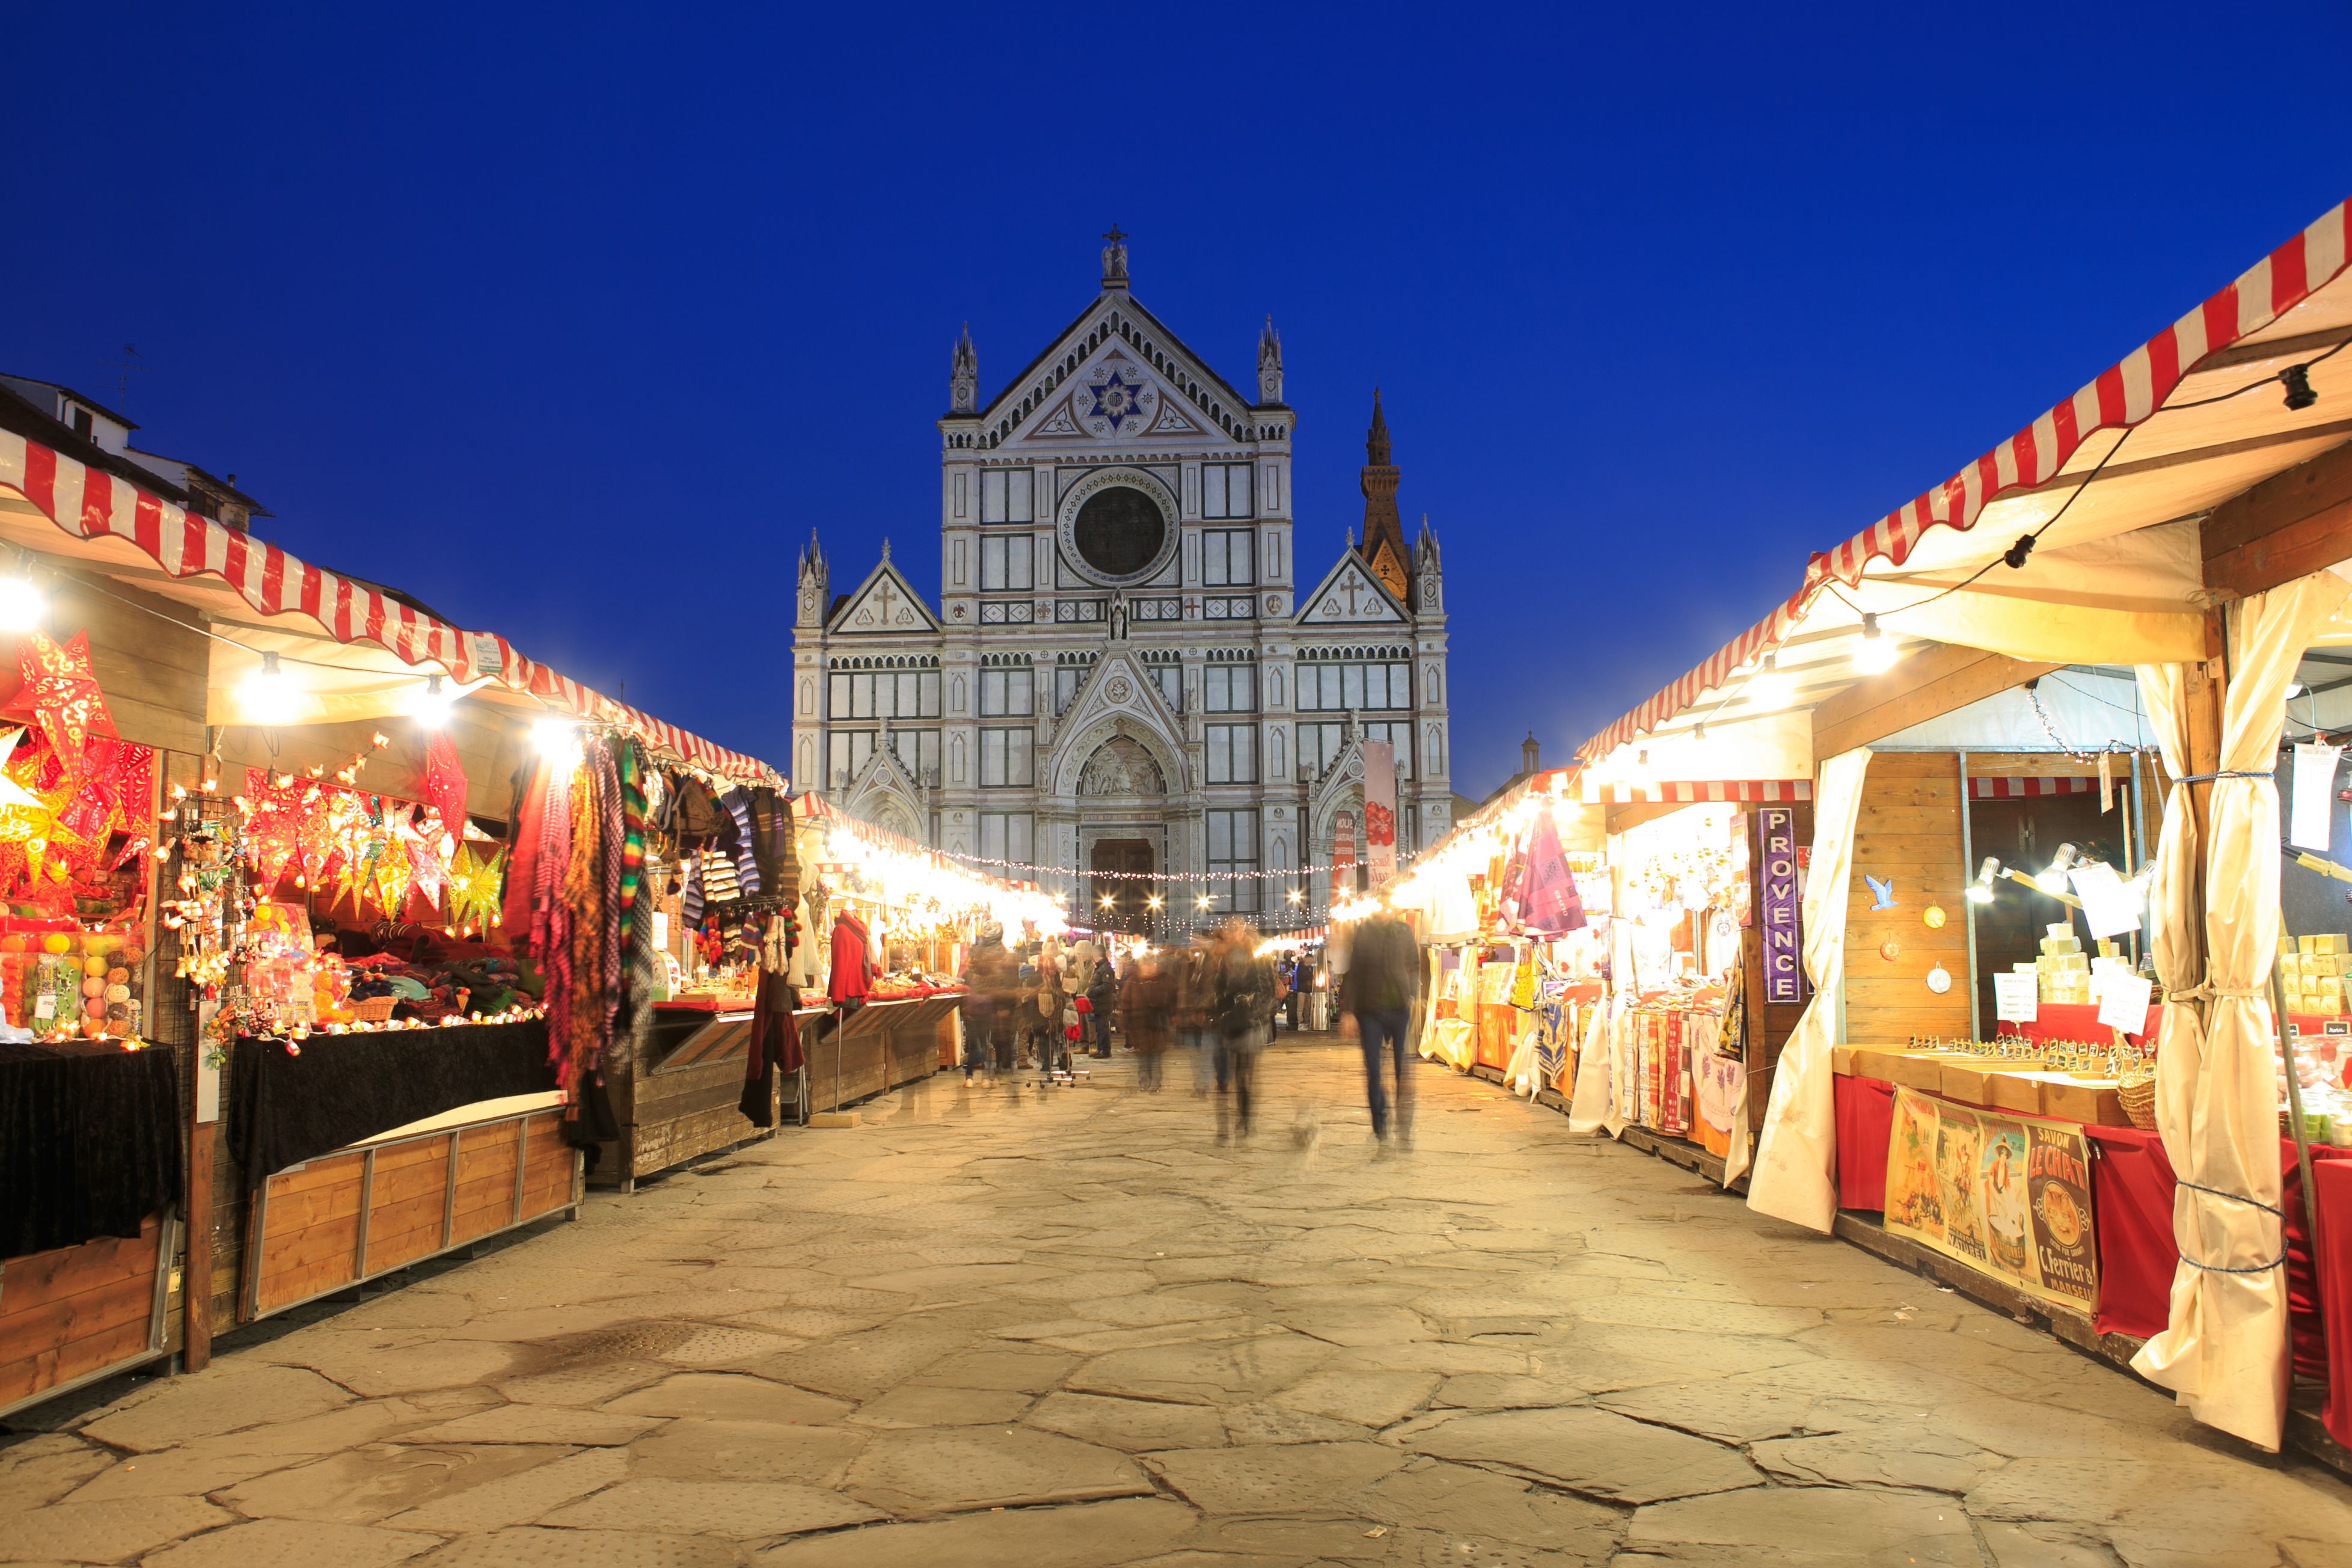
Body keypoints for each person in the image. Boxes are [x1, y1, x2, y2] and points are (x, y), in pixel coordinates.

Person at [1340, 908, 1419, 1150]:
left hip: (1398, 1007)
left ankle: (1404, 1126)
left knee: (1402, 1069)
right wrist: (1349, 1011)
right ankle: (1380, 1123)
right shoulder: (1364, 931)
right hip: (1369, 1009)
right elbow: (1354, 972)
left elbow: (1415, 964)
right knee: (1374, 1069)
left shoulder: (1403, 930)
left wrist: (1412, 993)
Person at [1210, 918, 1275, 1144]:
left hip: (1251, 1022)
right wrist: (1222, 1010)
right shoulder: (1224, 959)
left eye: (1236, 929)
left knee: (1244, 1074)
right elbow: (1219, 986)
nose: (1232, 934)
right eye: (1229, 930)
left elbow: (1268, 988)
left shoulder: (1257, 954)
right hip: (1229, 1021)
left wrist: (1253, 1011)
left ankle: (1245, 1120)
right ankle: (1223, 1127)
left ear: (1243, 931)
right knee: (1223, 1077)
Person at [959, 925, 1015, 1083]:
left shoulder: (969, 974)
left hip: (974, 1012)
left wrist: (965, 1011)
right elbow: (997, 993)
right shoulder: (991, 973)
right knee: (985, 1045)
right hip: (985, 1011)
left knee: (979, 1046)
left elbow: (965, 994)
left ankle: (970, 1078)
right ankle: (985, 1078)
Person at [1121, 948, 1176, 1089]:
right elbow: (1126, 1004)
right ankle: (1144, 1081)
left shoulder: (1163, 981)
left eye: (1152, 964)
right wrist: (1126, 1024)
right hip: (1139, 1025)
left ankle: (1156, 1082)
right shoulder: (1133, 982)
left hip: (1158, 1025)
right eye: (1146, 964)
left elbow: (1171, 1000)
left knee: (1156, 1056)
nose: (1150, 967)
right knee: (1143, 1057)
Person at [1087, 951, 1119, 1058]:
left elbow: (1107, 985)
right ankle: (1100, 1049)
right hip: (1098, 1003)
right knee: (1099, 1027)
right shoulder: (1101, 968)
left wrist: (1094, 990)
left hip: (1103, 1002)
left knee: (1103, 1027)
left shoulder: (1105, 968)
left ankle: (1105, 1050)